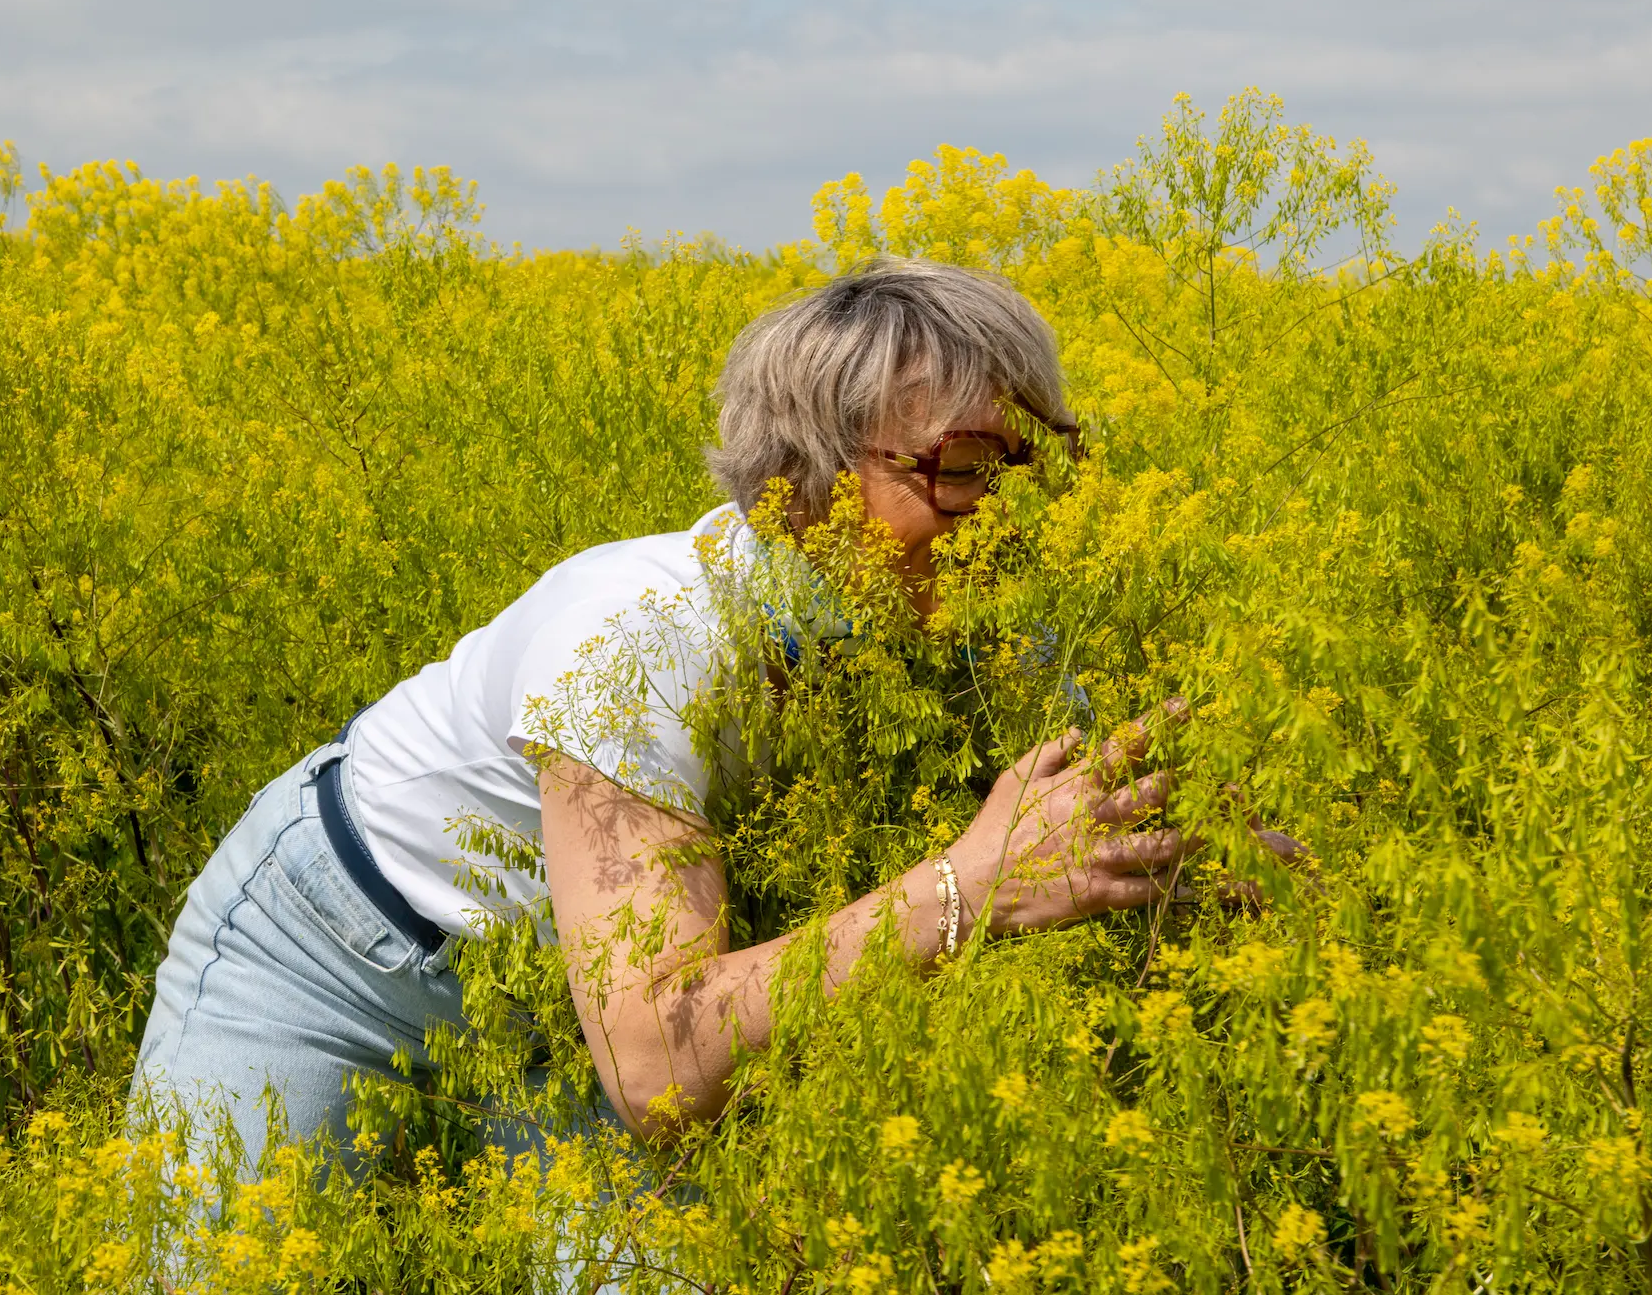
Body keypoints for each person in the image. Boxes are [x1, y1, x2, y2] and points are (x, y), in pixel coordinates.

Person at [128, 256, 1292, 1167]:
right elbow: (657, 1066)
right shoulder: (637, 637)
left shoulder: (994, 632)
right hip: (346, 950)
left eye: (1033, 466)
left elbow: (1080, 838)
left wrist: (1204, 854)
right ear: (805, 477)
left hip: (584, 1003)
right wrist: (970, 888)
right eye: (962, 468)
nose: (1009, 514)